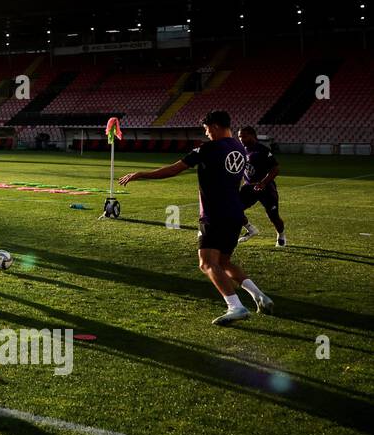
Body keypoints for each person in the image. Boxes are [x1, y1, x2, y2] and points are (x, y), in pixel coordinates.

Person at [120, 110, 273, 326]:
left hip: (214, 214)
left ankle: (235, 307)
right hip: (235, 214)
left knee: (207, 262)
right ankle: (259, 296)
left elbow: (174, 169)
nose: (207, 133)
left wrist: (140, 174)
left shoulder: (208, 148)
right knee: (224, 261)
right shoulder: (239, 147)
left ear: (216, 126)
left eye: (207, 128)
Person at [238, 126, 285, 247]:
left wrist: (263, 183)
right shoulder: (241, 150)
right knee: (234, 209)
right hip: (248, 188)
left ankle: (281, 235)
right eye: (239, 136)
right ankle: (250, 229)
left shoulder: (262, 150)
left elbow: (275, 169)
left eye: (243, 136)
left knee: (273, 217)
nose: (241, 139)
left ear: (252, 135)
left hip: (266, 189)